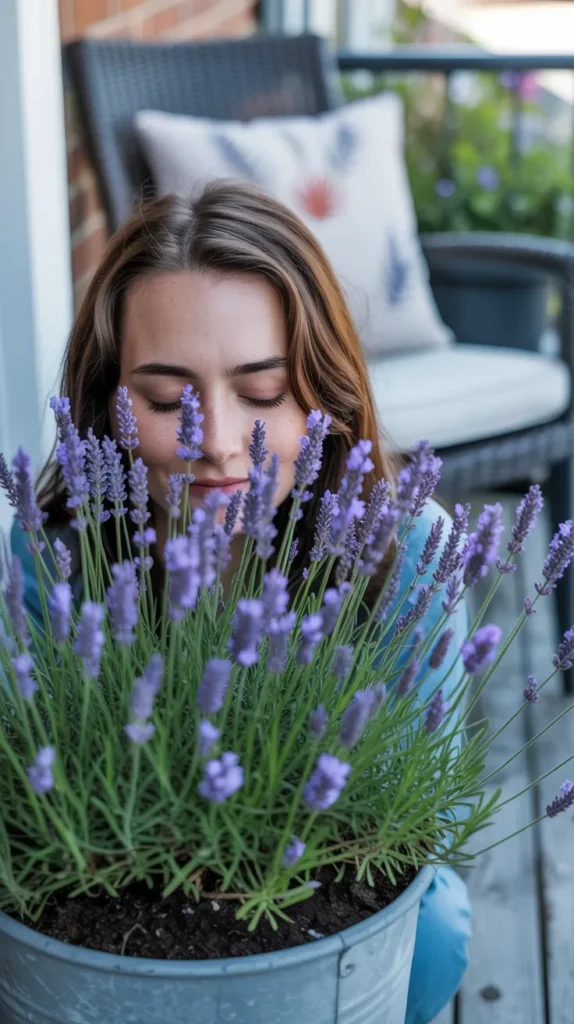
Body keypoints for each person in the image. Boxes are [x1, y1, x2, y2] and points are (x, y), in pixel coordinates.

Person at [10, 180, 471, 1023]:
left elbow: (405, 833)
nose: (218, 444)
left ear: (325, 396)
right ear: (108, 410)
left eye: (263, 394)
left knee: (433, 922)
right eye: (163, 401)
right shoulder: (54, 553)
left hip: (309, 911)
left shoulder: (403, 552)